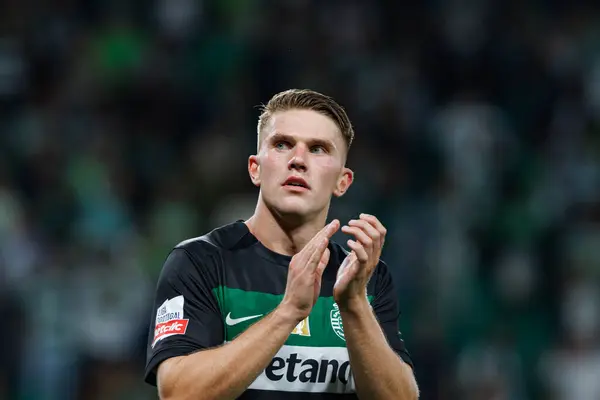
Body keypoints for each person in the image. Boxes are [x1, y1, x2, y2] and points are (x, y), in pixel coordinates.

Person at [144, 89, 419, 399]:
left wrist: (354, 304)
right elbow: (178, 393)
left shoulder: (365, 278)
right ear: (255, 168)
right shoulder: (200, 262)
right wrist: (289, 311)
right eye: (282, 144)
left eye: (318, 149)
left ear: (343, 182)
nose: (298, 160)